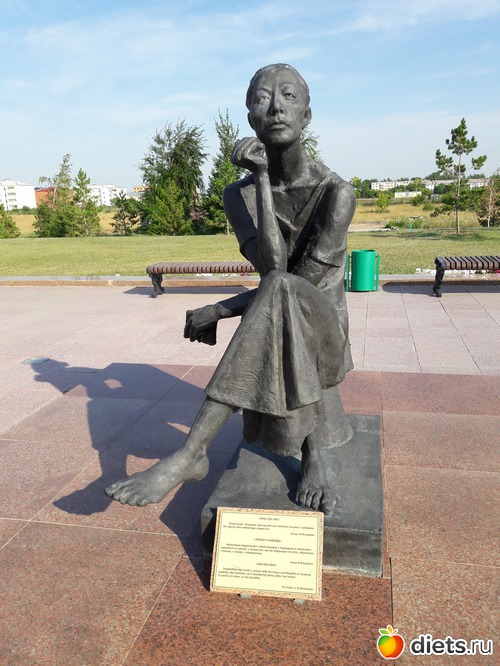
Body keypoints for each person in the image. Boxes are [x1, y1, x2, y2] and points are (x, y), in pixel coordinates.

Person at [105, 64, 356, 515]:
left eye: (288, 96)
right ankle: (310, 453)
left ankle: (194, 451)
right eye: (262, 98)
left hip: (326, 334)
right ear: (251, 119)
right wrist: (260, 183)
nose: (275, 107)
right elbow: (272, 273)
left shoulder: (337, 193)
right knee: (279, 296)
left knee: (282, 290)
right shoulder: (236, 196)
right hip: (280, 317)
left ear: (307, 116)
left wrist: (220, 309)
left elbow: (290, 282)